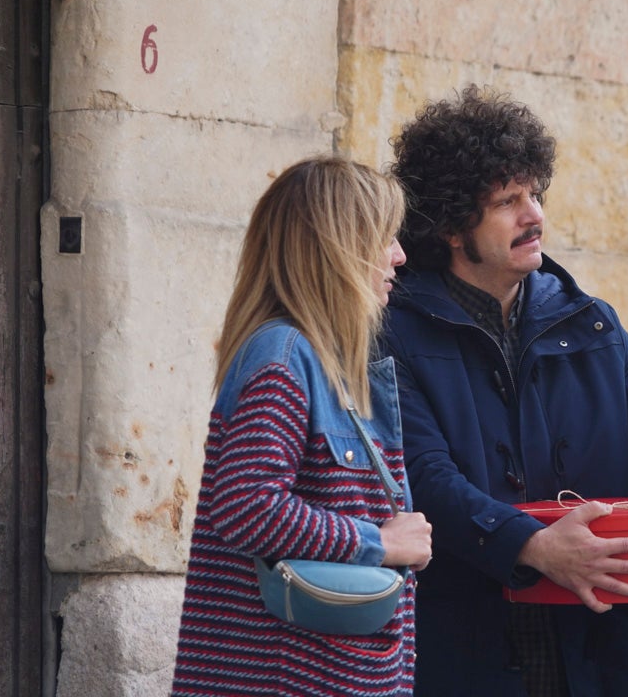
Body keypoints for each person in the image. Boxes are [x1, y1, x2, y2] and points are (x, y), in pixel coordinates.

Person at [380, 85, 628, 697]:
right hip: (464, 650)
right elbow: (423, 477)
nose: (534, 215)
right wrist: (533, 545)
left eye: (534, 193)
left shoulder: (593, 322)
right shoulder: (394, 330)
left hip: (594, 651)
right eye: (508, 201)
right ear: (454, 226)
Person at [170, 155, 433, 696]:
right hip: (287, 675)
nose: (399, 256)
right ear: (339, 248)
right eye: (385, 237)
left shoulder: (321, 361)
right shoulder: (285, 357)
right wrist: (377, 543)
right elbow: (246, 505)